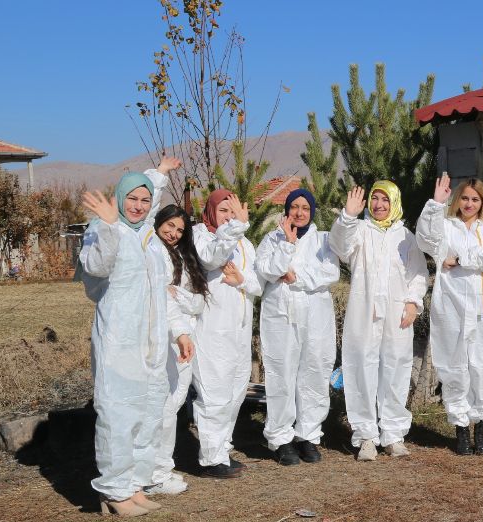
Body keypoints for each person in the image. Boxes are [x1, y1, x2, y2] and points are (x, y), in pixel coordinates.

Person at [80, 157, 192, 516]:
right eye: (133, 198)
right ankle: (113, 491)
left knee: (148, 415)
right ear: (119, 197)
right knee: (119, 414)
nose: (139, 205)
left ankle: (135, 484)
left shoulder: (146, 235)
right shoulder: (102, 228)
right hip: (120, 342)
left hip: (152, 344)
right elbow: (97, 268)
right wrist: (111, 227)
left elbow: (160, 292)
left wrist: (178, 333)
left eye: (145, 201)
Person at [329, 181, 428, 461]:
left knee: (396, 369)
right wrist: (348, 217)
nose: (379, 205)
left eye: (385, 200)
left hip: (397, 314)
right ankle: (366, 436)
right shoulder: (360, 230)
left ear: (394, 202)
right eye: (375, 199)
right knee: (361, 369)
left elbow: (418, 273)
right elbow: (339, 246)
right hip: (364, 311)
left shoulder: (405, 237)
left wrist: (412, 303)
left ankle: (393, 434)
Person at [416, 176, 483, 455]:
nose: (469, 204)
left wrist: (459, 260)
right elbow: (425, 239)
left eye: (475, 199)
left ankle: (481, 426)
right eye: (465, 198)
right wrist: (435, 204)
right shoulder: (445, 226)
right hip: (451, 306)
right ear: (458, 200)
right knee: (454, 364)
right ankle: (460, 428)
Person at [255, 189, 340, 465]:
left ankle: (308, 434)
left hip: (316, 317)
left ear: (312, 211)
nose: (300, 212)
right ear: (287, 209)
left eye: (305, 207)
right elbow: (265, 269)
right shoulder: (273, 238)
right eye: (294, 206)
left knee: (315, 371)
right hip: (280, 316)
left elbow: (330, 272)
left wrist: (295, 276)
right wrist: (287, 247)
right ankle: (281, 438)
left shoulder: (323, 240)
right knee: (282, 373)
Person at [192, 189, 261, 478]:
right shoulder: (202, 236)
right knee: (214, 394)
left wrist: (242, 280)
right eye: (223, 211)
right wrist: (235, 228)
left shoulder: (244, 243)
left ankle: (222, 449)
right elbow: (210, 259)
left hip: (240, 330)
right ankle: (210, 458)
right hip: (212, 330)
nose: (229, 217)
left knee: (234, 393)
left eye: (233, 211)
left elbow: (259, 285)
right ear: (210, 211)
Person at [144, 204, 210, 495]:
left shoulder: (183, 257)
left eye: (179, 230)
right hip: (163, 338)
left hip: (185, 337)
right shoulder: (151, 253)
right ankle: (154, 473)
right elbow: (159, 296)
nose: (172, 233)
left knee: (174, 402)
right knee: (164, 405)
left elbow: (196, 302)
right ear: (158, 223)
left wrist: (177, 294)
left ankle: (162, 469)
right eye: (169, 225)